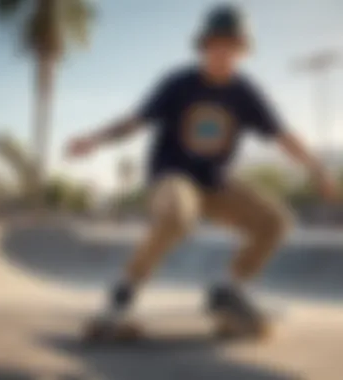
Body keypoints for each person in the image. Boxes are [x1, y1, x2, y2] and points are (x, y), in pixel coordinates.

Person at [66, 5, 339, 336]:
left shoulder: (245, 92)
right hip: (172, 178)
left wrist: (317, 170)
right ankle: (123, 294)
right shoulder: (178, 84)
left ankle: (228, 290)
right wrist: (94, 139)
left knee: (276, 222)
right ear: (204, 46)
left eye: (232, 47)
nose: (223, 54)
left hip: (215, 184)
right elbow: (136, 121)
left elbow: (283, 136)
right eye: (217, 45)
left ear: (242, 51)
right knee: (180, 216)